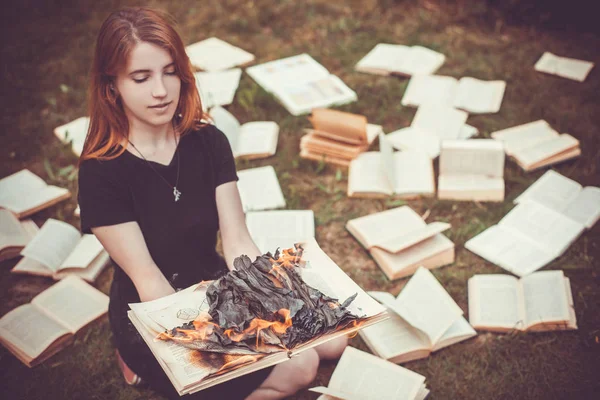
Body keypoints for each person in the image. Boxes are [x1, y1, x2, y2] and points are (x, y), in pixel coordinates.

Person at [77, 6, 347, 400]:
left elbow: (237, 242)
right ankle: (139, 362)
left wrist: (275, 299)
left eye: (170, 71)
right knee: (301, 368)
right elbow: (149, 281)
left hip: (218, 286)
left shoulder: (207, 141)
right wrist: (233, 337)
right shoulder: (101, 172)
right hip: (156, 308)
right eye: (142, 77)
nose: (161, 90)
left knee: (332, 341)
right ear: (111, 86)